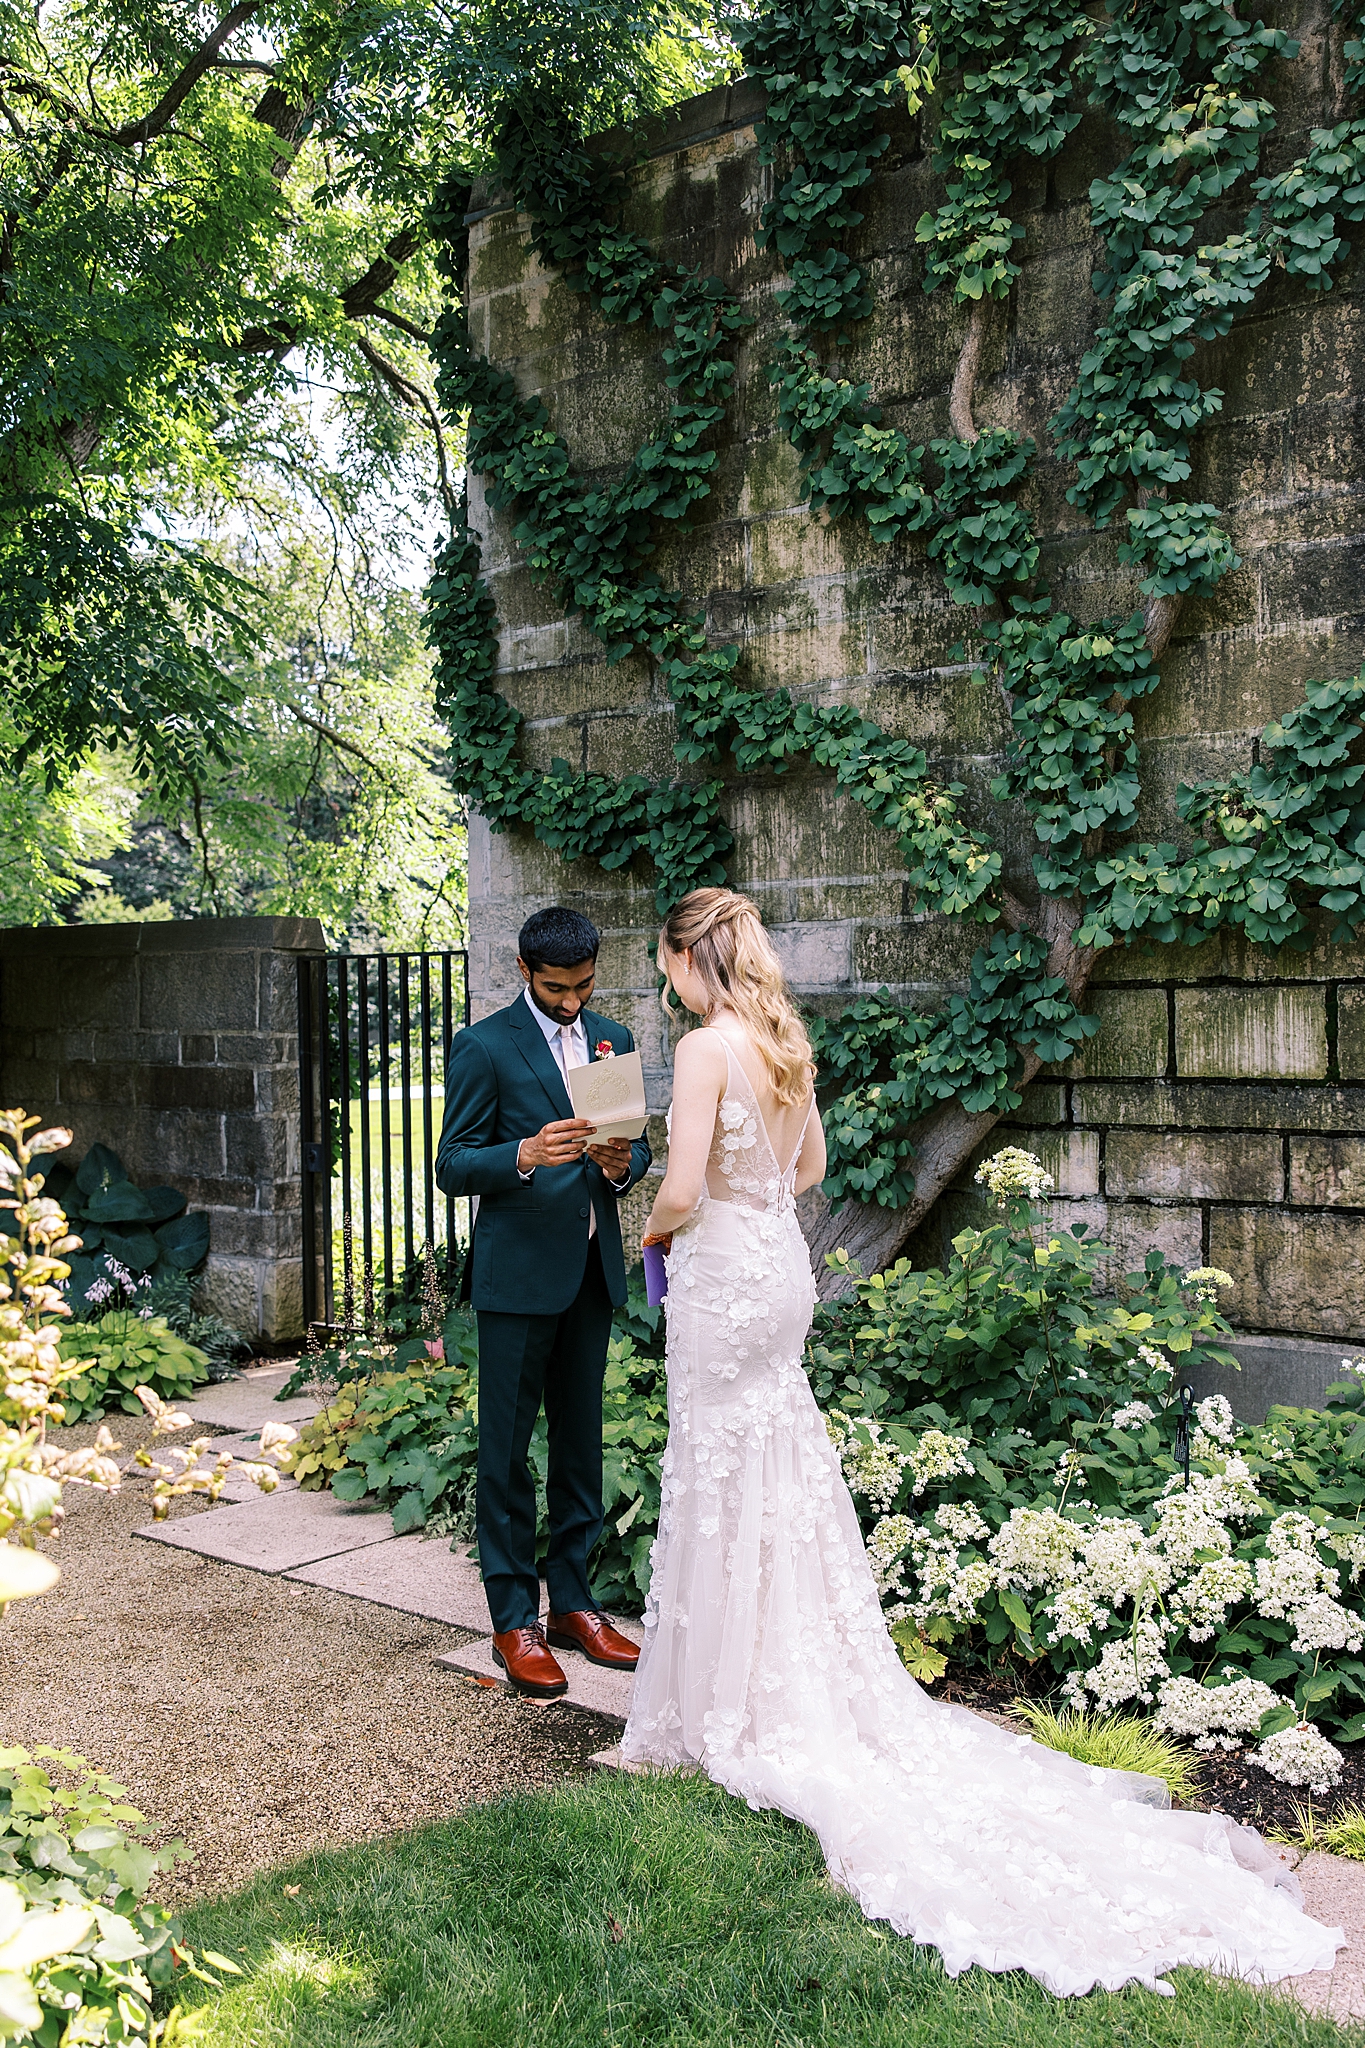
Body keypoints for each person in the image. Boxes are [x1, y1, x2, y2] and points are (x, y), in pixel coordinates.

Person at [621, 885, 1343, 1998]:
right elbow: (807, 1174)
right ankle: (767, 1674)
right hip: (782, 1273)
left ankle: (722, 1698)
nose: (665, 975)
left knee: (720, 1465)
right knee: (776, 1462)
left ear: (685, 958)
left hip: (723, 1277)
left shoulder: (707, 1048)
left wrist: (653, 1235)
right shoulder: (785, 1045)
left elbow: (674, 1186)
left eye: (667, 960)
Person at [436, 906, 650, 1699]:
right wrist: (522, 1155)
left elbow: (636, 1147)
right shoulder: (483, 1045)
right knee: (505, 1451)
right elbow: (453, 1164)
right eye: (557, 988)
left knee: (580, 1447)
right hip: (516, 1278)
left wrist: (627, 1159)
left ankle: (576, 1606)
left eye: (584, 986)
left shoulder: (612, 1038)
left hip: (590, 1270)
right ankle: (513, 1618)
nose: (572, 1001)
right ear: (524, 971)